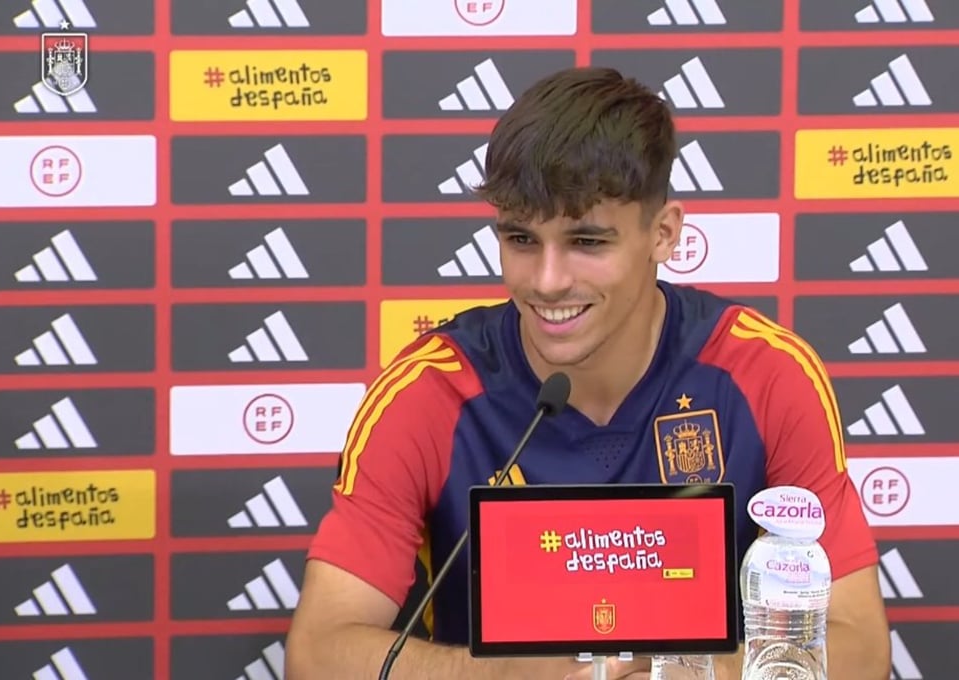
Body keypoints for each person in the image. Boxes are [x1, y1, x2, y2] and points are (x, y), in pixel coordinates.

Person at [285, 66, 890, 680]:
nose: (547, 282)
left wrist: (689, 671)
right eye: (521, 239)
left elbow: (862, 647)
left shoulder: (765, 375)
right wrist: (512, 675)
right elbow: (317, 653)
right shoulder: (429, 390)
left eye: (587, 243)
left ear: (663, 234)